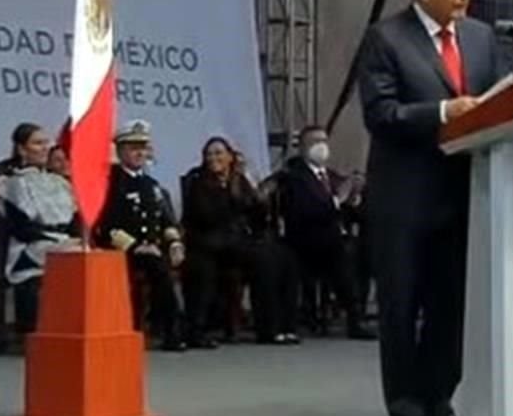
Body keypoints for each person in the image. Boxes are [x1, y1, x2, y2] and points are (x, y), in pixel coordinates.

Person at [356, 0, 502, 416]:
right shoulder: (386, 38)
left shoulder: (482, 38)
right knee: (402, 304)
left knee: (450, 306)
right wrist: (443, 113)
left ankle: (440, 398)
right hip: (404, 197)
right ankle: (406, 406)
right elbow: (380, 114)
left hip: (464, 193)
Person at [181, 137, 295, 346]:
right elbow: (206, 216)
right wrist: (228, 192)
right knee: (203, 266)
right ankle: (196, 331)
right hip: (208, 243)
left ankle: (272, 328)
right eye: (209, 154)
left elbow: (257, 215)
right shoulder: (197, 181)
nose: (213, 158)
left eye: (218, 153)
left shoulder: (238, 180)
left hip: (236, 243)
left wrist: (258, 195)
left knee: (274, 258)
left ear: (230, 157)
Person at [93, 120, 187, 352]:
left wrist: (174, 241)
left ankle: (184, 328)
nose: (139, 153)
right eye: (133, 147)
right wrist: (135, 246)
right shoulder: (111, 183)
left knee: (185, 263)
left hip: (152, 247)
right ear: (120, 150)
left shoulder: (150, 184)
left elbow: (163, 219)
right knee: (157, 268)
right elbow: (105, 225)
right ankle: (165, 330)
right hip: (120, 248)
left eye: (143, 148)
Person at [279, 125, 376, 340]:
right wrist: (337, 200)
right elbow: (304, 211)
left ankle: (355, 315)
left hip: (335, 237)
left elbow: (348, 209)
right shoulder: (295, 177)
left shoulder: (330, 175)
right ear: (303, 147)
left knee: (363, 250)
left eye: (324, 141)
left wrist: (354, 197)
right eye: (315, 142)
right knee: (343, 256)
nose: (321, 147)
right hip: (308, 239)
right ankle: (352, 319)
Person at [0, 123, 82, 333]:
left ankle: (80, 327)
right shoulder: (12, 183)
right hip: (30, 248)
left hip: (62, 241)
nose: (45, 148)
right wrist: (56, 241)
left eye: (46, 143)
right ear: (22, 149)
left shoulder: (60, 182)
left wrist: (75, 237)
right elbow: (21, 228)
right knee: (77, 255)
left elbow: (75, 219)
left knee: (95, 256)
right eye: (37, 143)